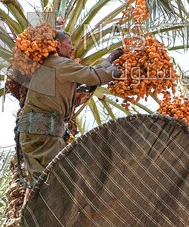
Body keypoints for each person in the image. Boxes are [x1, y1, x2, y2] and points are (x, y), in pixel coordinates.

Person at [16, 31, 123, 180]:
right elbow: (93, 76)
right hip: (45, 134)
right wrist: (122, 69)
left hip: (29, 134)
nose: (72, 48)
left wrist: (109, 61)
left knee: (43, 186)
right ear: (57, 44)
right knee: (63, 181)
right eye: (69, 43)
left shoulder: (45, 68)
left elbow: (86, 81)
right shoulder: (59, 64)